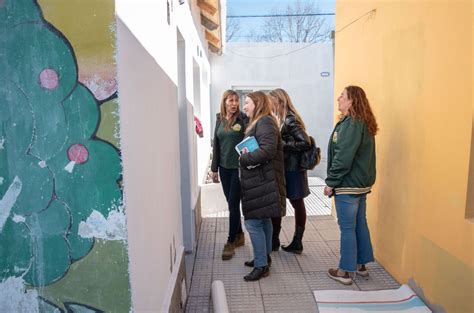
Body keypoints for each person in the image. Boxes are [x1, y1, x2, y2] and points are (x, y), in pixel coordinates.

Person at [324, 86, 378, 285]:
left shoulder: (352, 124)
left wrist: (331, 182)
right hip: (359, 184)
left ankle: (345, 272)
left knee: (347, 227)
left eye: (342, 96)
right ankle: (360, 265)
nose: (338, 98)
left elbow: (343, 157)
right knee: (359, 224)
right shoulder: (358, 122)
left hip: (348, 184)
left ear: (351, 101)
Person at [239, 91, 286, 281]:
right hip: (261, 182)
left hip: (262, 182)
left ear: (257, 104)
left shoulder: (265, 122)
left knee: (253, 223)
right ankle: (263, 258)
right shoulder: (263, 121)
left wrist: (244, 158)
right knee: (263, 220)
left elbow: (267, 151)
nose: (244, 107)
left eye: (247, 103)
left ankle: (261, 265)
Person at [269, 88, 311, 254]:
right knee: (289, 203)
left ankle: (296, 242)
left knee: (297, 203)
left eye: (271, 102)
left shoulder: (290, 120)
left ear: (279, 101)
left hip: (293, 170)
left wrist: (282, 145)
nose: (270, 105)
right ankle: (280, 240)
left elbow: (305, 142)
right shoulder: (284, 119)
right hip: (289, 168)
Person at [211, 90, 247, 260]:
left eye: (236, 101)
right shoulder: (219, 119)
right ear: (224, 101)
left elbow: (250, 142)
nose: (234, 104)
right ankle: (239, 234)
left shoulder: (243, 119)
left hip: (238, 169)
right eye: (231, 100)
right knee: (231, 202)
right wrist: (214, 168)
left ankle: (230, 241)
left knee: (233, 204)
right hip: (224, 168)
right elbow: (216, 145)